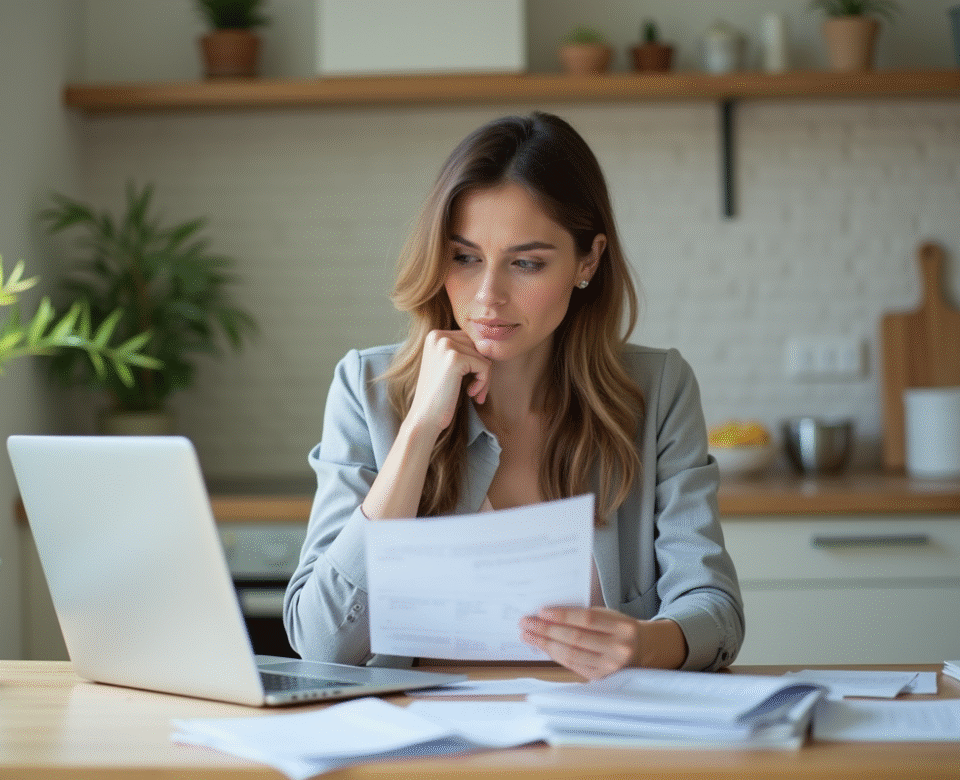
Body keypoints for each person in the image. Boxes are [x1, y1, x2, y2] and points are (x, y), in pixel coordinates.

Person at [284, 111, 743, 681]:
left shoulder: (657, 390)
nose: (488, 296)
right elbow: (321, 643)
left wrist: (648, 643)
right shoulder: (368, 388)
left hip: (600, 744)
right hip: (428, 751)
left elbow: (715, 611)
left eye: (526, 263)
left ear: (589, 260)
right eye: (465, 257)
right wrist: (418, 434)